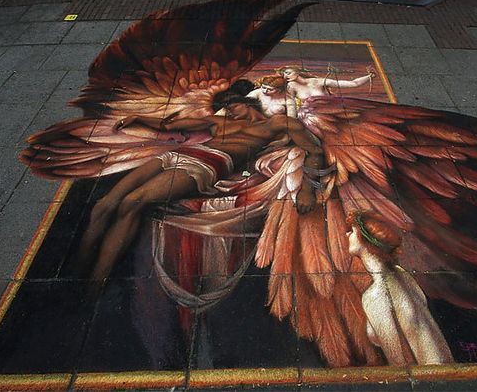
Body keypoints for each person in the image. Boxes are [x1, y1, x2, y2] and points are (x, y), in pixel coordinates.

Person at [77, 100, 323, 283]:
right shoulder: (218, 121)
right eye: (227, 106)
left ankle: (95, 284)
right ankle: (78, 269)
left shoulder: (278, 123)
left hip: (210, 162)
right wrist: (138, 119)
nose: (228, 110)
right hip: (180, 154)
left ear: (248, 103)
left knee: (132, 202)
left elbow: (315, 151)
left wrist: (307, 190)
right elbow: (169, 125)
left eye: (233, 105)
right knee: (104, 203)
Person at [346, 212, 454, 366]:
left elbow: (399, 362)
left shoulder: (376, 295)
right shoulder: (403, 276)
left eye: (352, 231)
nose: (347, 234)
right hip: (444, 366)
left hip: (429, 376)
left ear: (364, 240)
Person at [277, 65, 376, 108]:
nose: (286, 76)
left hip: (331, 109)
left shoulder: (318, 81)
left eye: (288, 73)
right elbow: (289, 103)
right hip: (311, 117)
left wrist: (369, 76)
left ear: (297, 72)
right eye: (283, 75)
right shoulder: (291, 86)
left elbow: (354, 84)